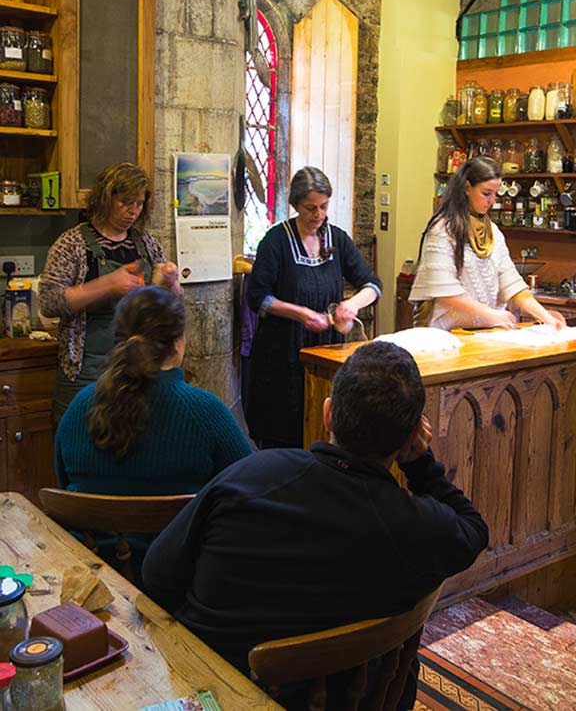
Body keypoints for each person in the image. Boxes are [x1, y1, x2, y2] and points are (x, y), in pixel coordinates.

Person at [142, 341, 488, 710]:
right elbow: (474, 530)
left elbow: (156, 575)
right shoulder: (415, 526)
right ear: (410, 440)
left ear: (328, 413)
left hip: (207, 693)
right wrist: (421, 465)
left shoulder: (252, 473)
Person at [55, 286, 252, 564]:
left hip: (96, 577)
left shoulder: (80, 406)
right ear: (178, 342)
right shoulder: (205, 412)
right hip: (181, 581)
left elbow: (63, 484)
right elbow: (250, 489)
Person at [246, 166, 381, 448]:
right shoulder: (276, 241)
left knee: (324, 431)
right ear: (295, 205)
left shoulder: (338, 240)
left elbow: (372, 285)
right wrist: (300, 313)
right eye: (310, 208)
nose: (318, 215)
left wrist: (351, 305)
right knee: (284, 437)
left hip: (327, 353)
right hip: (282, 356)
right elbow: (257, 296)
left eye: (323, 207)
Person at [39, 162, 181, 421]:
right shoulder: (72, 244)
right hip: (85, 371)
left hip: (139, 368)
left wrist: (170, 283)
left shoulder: (146, 243)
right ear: (106, 198)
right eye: (125, 202)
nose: (133, 211)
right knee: (82, 444)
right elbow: (49, 301)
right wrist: (107, 285)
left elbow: (172, 303)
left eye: (139, 203)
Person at [410, 157, 566, 331]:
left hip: (485, 332)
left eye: (495, 194)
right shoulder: (443, 229)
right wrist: (490, 314)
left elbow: (512, 285)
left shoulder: (493, 232)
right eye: (486, 193)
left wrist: (547, 318)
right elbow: (445, 291)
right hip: (446, 334)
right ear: (467, 188)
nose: (492, 201)